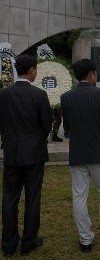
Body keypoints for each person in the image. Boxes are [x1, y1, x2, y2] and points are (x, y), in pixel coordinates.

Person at [60, 59, 100, 252]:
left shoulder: (66, 97)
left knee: (79, 195)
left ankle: (85, 239)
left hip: (78, 151)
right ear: (91, 74)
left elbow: (68, 126)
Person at [0, 54, 53, 257]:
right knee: (33, 198)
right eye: (36, 69)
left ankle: (8, 243)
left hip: (12, 152)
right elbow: (47, 124)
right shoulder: (39, 95)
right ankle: (28, 241)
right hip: (34, 154)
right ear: (31, 70)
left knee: (10, 198)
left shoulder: (4, 94)